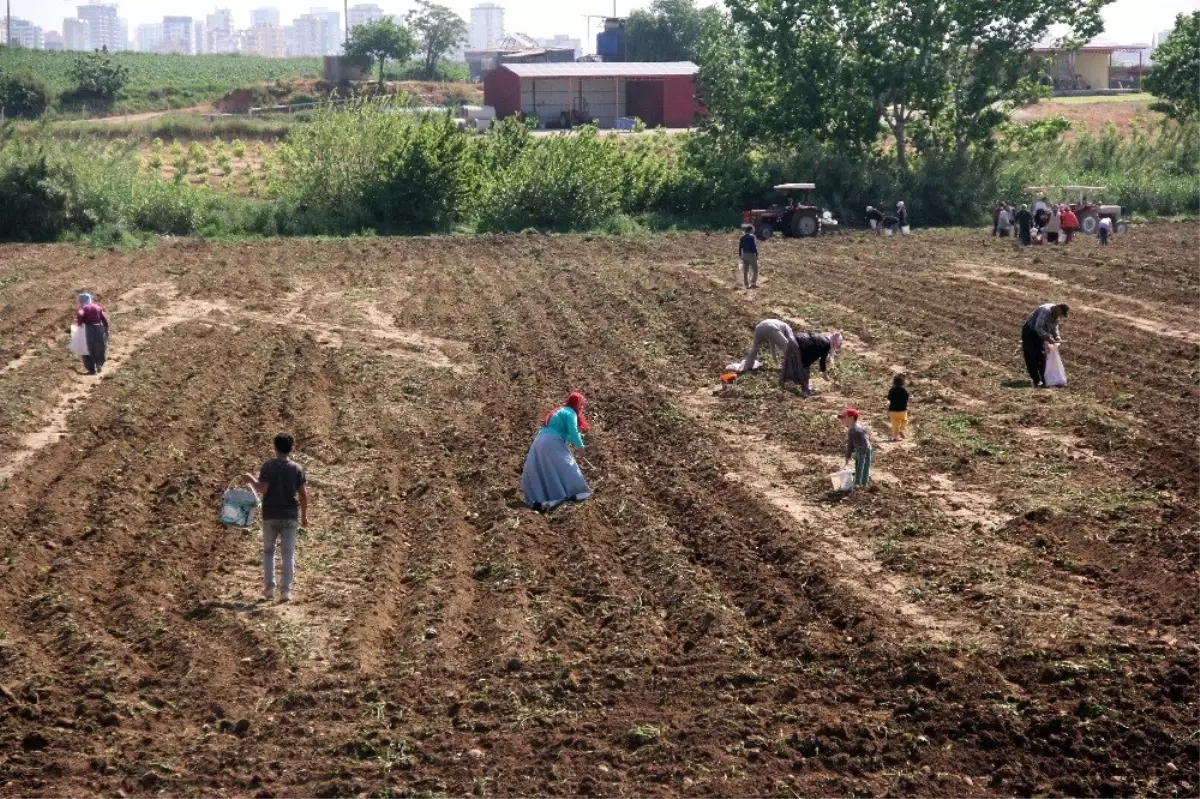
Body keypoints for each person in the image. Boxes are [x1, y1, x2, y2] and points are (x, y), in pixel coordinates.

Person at [243, 433, 309, 603]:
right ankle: (286, 592)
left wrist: (249, 478)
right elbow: (302, 494)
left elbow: (262, 489)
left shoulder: (268, 466)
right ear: (291, 448)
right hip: (290, 515)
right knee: (288, 553)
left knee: (268, 551)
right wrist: (304, 517)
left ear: (275, 446)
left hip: (271, 514)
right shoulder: (297, 469)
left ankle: (269, 588)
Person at [521, 392, 593, 511]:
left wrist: (574, 441)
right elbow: (573, 431)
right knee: (567, 465)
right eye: (581, 404)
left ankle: (547, 500)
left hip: (539, 441)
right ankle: (579, 492)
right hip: (551, 442)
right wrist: (580, 447)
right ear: (576, 404)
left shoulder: (559, 411)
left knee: (545, 469)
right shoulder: (570, 413)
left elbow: (564, 434)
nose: (582, 407)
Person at [1021, 303, 1070, 388]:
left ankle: (1045, 380)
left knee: (1041, 356)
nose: (1060, 316)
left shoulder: (1055, 315)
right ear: (1058, 308)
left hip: (1040, 334)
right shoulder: (1045, 310)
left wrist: (1057, 337)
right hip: (1030, 332)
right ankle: (1036, 380)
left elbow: (1054, 328)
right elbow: (1038, 327)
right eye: (1061, 313)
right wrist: (1048, 338)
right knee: (1031, 356)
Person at [782, 331, 843, 395]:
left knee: (791, 363)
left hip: (793, 339)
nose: (837, 347)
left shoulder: (824, 339)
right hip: (797, 343)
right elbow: (822, 361)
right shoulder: (826, 344)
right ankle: (805, 389)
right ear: (835, 342)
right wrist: (825, 375)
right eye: (838, 344)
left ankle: (785, 383)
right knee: (803, 367)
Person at [75, 293, 109, 375]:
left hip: (87, 329)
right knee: (99, 346)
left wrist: (79, 327)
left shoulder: (82, 308)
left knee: (87, 348)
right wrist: (106, 329)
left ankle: (91, 369)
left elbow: (80, 317)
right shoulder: (97, 307)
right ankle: (99, 364)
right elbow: (104, 319)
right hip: (98, 328)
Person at [840, 408, 873, 489]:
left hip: (865, 450)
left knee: (863, 467)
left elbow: (865, 442)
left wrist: (863, 454)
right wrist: (848, 456)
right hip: (859, 449)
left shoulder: (857, 430)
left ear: (851, 418)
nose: (842, 420)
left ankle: (862, 485)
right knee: (858, 466)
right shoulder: (851, 429)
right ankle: (858, 483)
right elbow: (850, 444)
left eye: (844, 417)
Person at [887, 373, 910, 441]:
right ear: (903, 383)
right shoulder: (904, 390)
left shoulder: (891, 390)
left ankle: (895, 437)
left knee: (895, 424)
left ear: (894, 382)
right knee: (905, 421)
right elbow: (907, 398)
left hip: (893, 411)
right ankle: (901, 430)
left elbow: (889, 398)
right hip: (902, 410)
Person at [738, 224, 759, 289]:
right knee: (755, 269)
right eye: (753, 230)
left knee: (745, 270)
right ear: (750, 230)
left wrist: (740, 255)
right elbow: (753, 246)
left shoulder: (742, 237)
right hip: (751, 254)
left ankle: (746, 284)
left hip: (744, 254)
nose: (753, 231)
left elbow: (740, 247)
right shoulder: (751, 237)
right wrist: (756, 254)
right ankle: (753, 283)